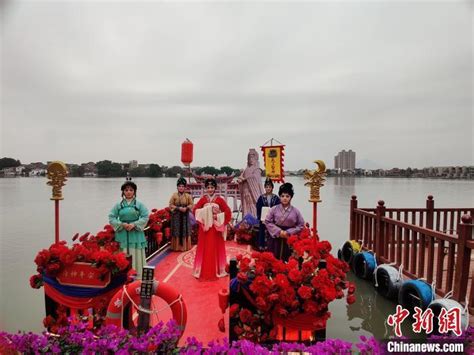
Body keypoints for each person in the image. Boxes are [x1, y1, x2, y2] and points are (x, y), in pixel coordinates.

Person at [108, 181, 149, 278]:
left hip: (136, 233)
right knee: (123, 253)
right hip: (122, 232)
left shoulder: (139, 205)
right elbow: (111, 217)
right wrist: (121, 224)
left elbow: (145, 216)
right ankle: (123, 276)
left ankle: (138, 274)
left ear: (134, 191)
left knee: (136, 253)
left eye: (131, 190)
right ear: (123, 192)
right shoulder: (118, 205)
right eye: (126, 190)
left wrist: (134, 224)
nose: (129, 192)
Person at [193, 178, 231, 281]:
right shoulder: (203, 199)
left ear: (215, 188)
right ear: (205, 188)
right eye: (208, 187)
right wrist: (204, 215)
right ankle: (202, 270)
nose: (210, 189)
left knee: (215, 248)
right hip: (205, 228)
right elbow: (195, 210)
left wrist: (217, 216)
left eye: (212, 187)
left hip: (215, 228)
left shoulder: (219, 200)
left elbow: (228, 212)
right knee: (204, 248)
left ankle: (218, 269)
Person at [265, 182, 304, 261]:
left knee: (287, 259)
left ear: (291, 197)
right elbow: (267, 221)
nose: (285, 198)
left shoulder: (296, 211)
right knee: (273, 258)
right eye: (282, 196)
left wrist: (288, 232)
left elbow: (301, 225)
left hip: (288, 238)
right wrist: (279, 231)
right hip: (275, 238)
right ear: (279, 197)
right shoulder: (273, 209)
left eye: (287, 196)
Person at [169, 177, 193, 251]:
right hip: (176, 216)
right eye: (179, 186)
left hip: (185, 216)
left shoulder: (188, 196)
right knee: (176, 230)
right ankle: (176, 247)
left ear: (185, 187)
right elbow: (170, 205)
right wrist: (178, 208)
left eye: (183, 186)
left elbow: (191, 204)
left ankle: (185, 247)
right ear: (177, 187)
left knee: (185, 230)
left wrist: (186, 208)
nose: (181, 188)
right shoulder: (174, 195)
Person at [237, 148, 264, 218]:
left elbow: (255, 179)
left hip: (253, 193)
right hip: (246, 192)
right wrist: (240, 180)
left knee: (253, 206)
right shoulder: (246, 169)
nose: (251, 159)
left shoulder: (257, 169)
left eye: (252, 157)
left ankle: (255, 221)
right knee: (246, 207)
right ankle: (246, 221)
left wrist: (245, 179)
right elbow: (241, 178)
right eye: (249, 157)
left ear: (256, 158)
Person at [256, 177, 281, 251]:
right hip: (263, 219)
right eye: (266, 187)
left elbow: (278, 208)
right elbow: (258, 207)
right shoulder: (261, 197)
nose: (268, 188)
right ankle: (261, 246)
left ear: (272, 188)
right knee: (262, 232)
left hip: (273, 219)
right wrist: (261, 217)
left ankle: (272, 246)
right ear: (264, 188)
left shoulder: (276, 198)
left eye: (269, 187)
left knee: (272, 232)